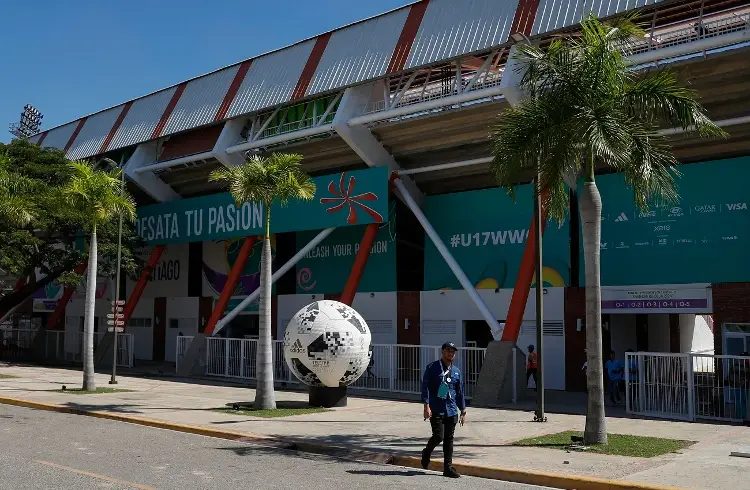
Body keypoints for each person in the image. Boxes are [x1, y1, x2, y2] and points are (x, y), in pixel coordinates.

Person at [421, 342, 466, 478]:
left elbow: (459, 392)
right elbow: (425, 387)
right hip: (437, 409)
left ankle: (448, 468)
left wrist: (463, 410)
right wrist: (426, 406)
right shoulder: (433, 367)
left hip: (452, 410)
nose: (450, 354)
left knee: (449, 439)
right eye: (448, 351)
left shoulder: (456, 371)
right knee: (438, 436)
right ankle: (426, 452)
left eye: (452, 352)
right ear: (442, 352)